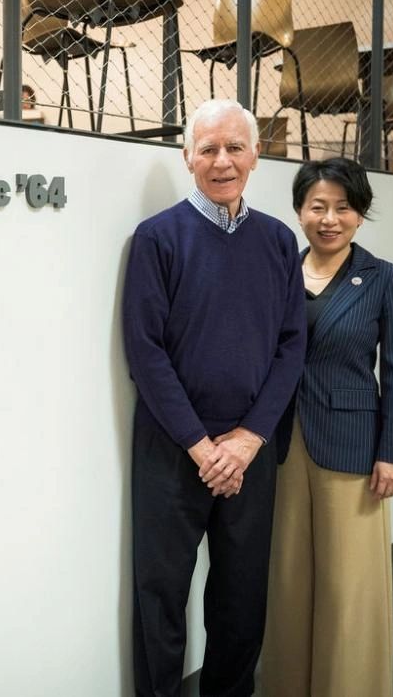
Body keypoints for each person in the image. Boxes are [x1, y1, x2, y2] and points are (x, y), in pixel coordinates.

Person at [122, 98, 306, 697]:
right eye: (208, 149)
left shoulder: (279, 242)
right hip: (173, 449)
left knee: (241, 596)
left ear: (256, 154)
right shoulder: (157, 238)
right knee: (161, 595)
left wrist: (248, 439)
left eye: (234, 147)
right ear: (187, 157)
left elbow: (290, 346)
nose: (221, 161)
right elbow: (145, 353)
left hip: (251, 452)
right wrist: (204, 448)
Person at [262, 157, 393, 697]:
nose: (329, 219)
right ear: (299, 212)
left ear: (360, 213)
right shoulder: (277, 271)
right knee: (287, 578)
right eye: (317, 207)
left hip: (353, 445)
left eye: (342, 208)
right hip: (278, 443)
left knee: (349, 584)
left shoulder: (385, 279)